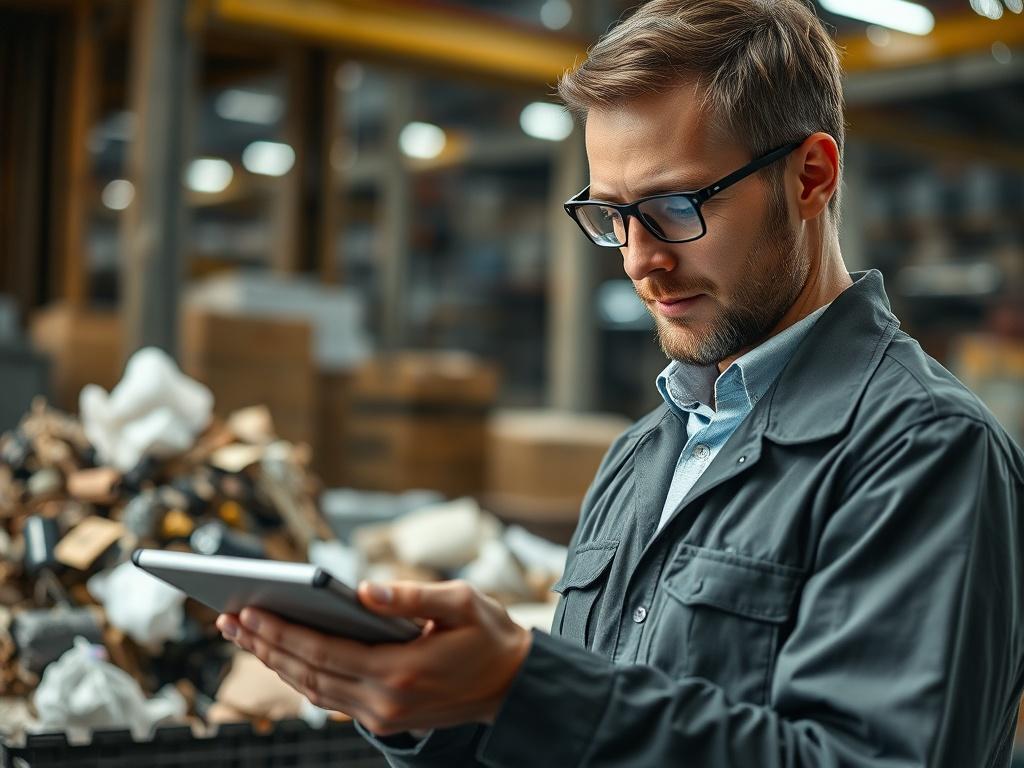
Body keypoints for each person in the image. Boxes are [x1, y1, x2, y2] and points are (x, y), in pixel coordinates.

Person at [216, 1, 1024, 765]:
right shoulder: (645, 455)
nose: (640, 258)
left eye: (674, 206)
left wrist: (524, 684)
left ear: (811, 177)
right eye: (612, 216)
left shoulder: (924, 454)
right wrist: (431, 707)